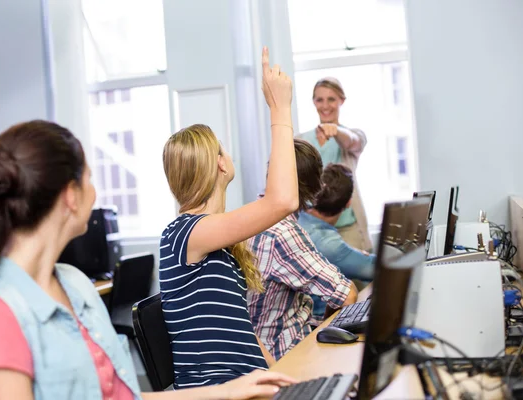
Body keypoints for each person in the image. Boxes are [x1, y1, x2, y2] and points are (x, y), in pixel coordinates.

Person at [0, 120, 296, 400]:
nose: (96, 193)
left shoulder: (74, 284)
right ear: (70, 196)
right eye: (90, 178)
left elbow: (124, 396)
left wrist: (227, 391)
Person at [159, 47, 299, 389]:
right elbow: (283, 200)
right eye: (222, 147)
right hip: (219, 392)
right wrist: (280, 110)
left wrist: (281, 376)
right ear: (220, 164)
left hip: (247, 385)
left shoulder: (213, 239)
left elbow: (241, 331)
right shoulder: (183, 235)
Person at [247, 139, 359, 361]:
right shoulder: (283, 233)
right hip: (284, 355)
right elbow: (347, 296)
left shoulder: (248, 216)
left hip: (263, 347)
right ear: (316, 187)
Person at [297, 77, 371, 251]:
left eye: (331, 99)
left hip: (348, 227)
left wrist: (336, 130)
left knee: (361, 274)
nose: (325, 106)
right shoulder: (301, 140)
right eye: (319, 99)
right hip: (312, 228)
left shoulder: (352, 135)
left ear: (341, 101)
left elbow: (352, 141)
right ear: (313, 102)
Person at [298, 163, 376, 320]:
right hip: (315, 323)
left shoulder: (298, 216)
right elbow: (374, 269)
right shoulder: (328, 243)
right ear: (348, 203)